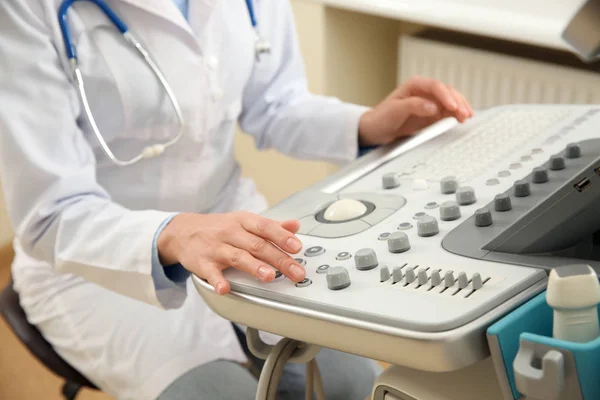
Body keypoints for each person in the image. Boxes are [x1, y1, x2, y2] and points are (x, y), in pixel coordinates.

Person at [0, 0, 473, 399]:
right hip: (96, 262)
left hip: (235, 228)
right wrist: (172, 233)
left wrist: (367, 125)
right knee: (220, 392)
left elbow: (276, 103)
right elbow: (50, 213)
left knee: (351, 383)